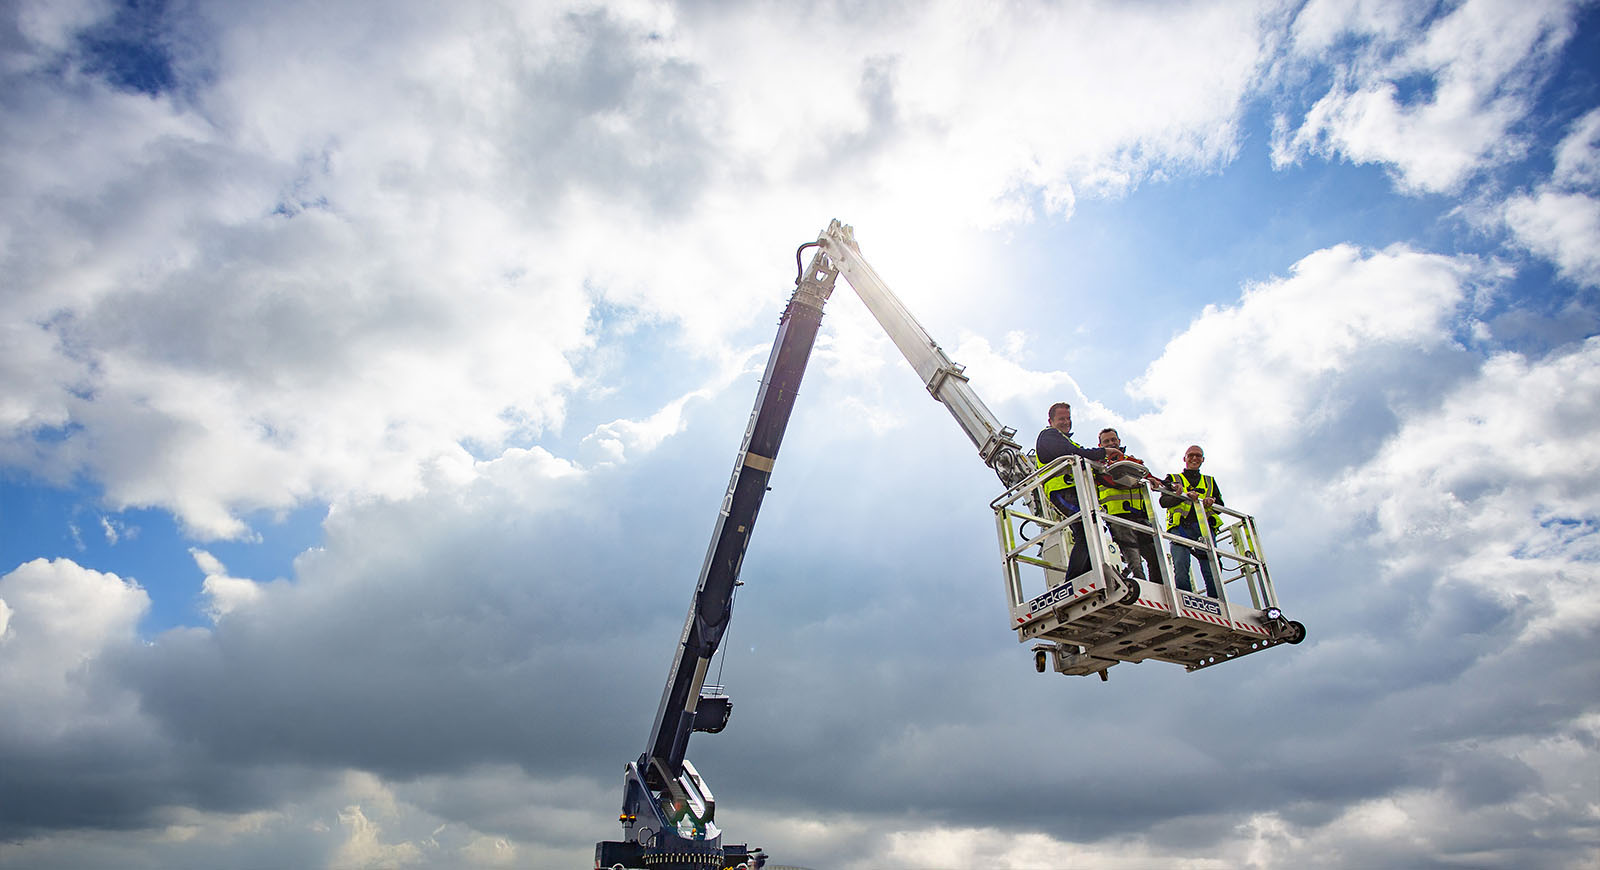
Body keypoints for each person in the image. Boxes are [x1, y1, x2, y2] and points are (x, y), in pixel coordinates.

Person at [1035, 402, 1121, 579]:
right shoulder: (1048, 435)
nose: (1066, 422)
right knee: (1087, 529)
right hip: (1063, 490)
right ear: (1050, 421)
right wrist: (1102, 453)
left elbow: (1077, 452)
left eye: (1068, 418)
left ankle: (1089, 576)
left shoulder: (1066, 439)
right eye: (1061, 419)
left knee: (1091, 531)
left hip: (1076, 492)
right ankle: (1074, 581)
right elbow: (1072, 452)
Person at [1095, 428, 1162, 583]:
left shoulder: (1134, 462)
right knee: (1135, 562)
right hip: (1118, 518)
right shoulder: (1098, 465)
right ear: (1100, 445)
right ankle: (1143, 590)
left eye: (1113, 440)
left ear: (1119, 441)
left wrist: (1168, 485)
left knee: (1156, 559)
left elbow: (1152, 479)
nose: (1111, 443)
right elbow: (1109, 481)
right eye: (1107, 441)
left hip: (1140, 517)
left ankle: (1158, 590)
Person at [1160, 444, 1224, 597]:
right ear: (1185, 459)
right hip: (1180, 527)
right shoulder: (1173, 479)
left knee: (1211, 568)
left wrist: (1211, 502)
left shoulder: (1209, 481)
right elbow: (1164, 502)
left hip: (1204, 529)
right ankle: (1185, 598)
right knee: (1181, 565)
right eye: (1191, 455)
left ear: (1203, 459)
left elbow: (1220, 507)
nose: (1194, 458)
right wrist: (1182, 497)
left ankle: (1217, 601)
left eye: (1198, 455)